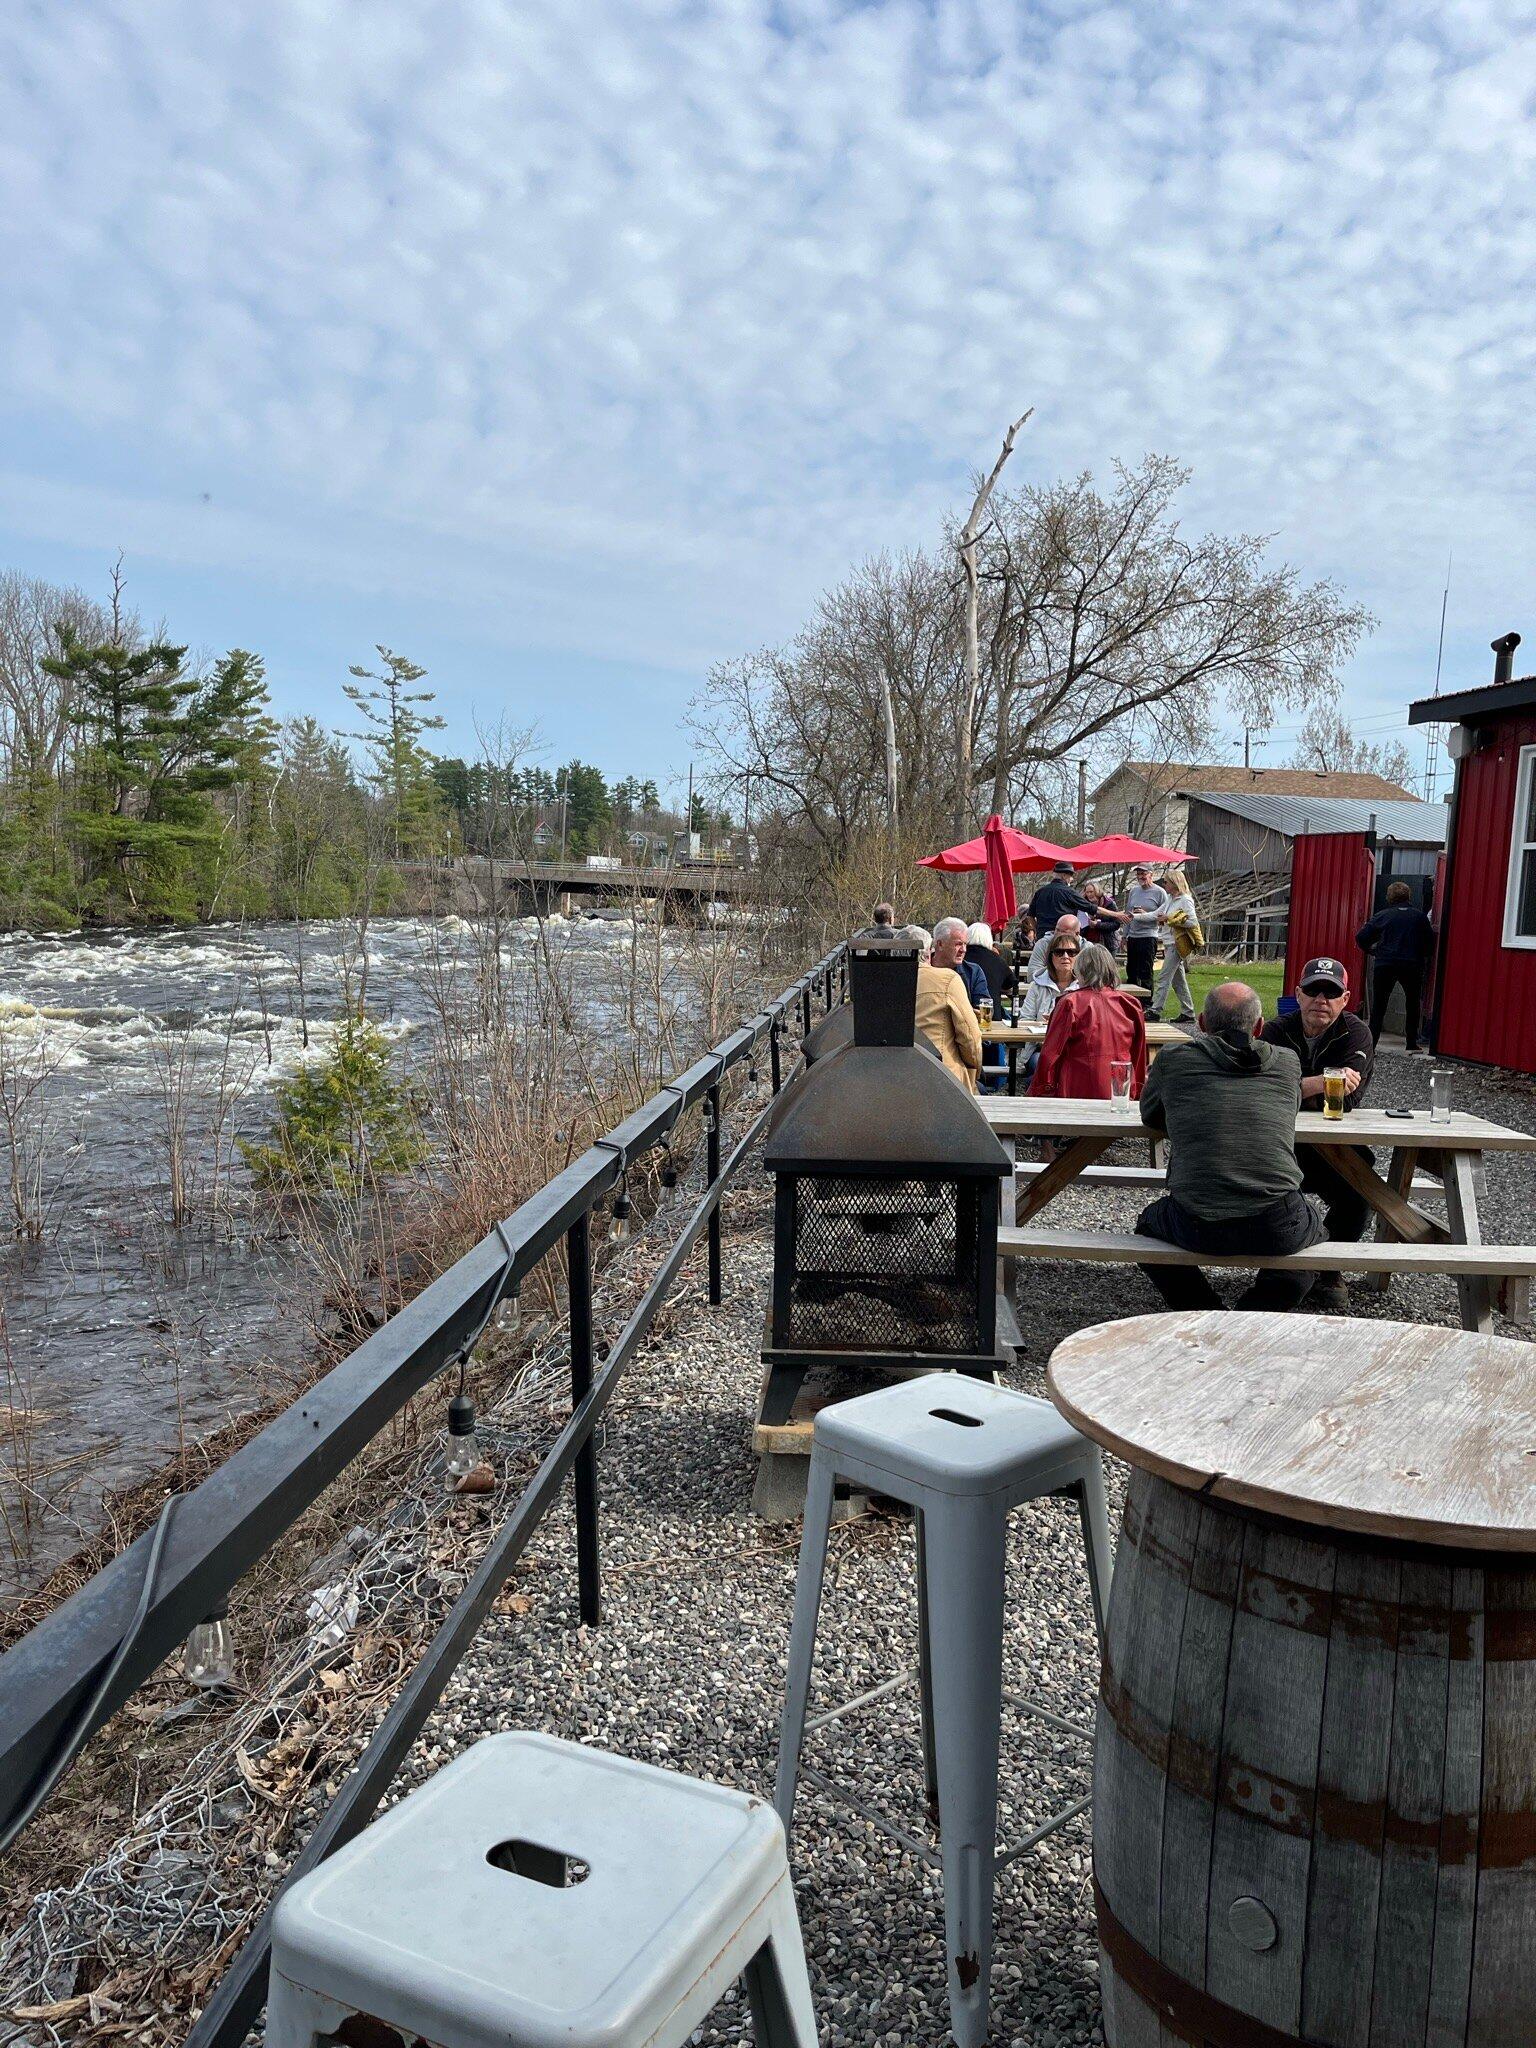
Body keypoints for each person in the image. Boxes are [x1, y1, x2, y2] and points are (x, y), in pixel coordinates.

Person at [1136, 982, 1323, 1311]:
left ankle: (1202, 1308)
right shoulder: (1287, 1062)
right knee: (1315, 1234)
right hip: (1276, 1221)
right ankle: (1260, 1309)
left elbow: (1151, 1116)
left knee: (1148, 1225)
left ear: (1203, 1023)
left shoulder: (1173, 1059)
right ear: (1259, 1027)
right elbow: (1286, 1111)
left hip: (1197, 1221)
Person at [1260, 955, 1375, 1312]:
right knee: (1263, 1190)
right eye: (1313, 990)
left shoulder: (1356, 1032)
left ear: (1345, 999)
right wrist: (1322, 1083)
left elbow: (1349, 1098)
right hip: (1282, 1146)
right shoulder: (1277, 1029)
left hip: (1336, 1148)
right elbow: (1261, 1089)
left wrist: (1292, 1088)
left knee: (1361, 1192)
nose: (1321, 1000)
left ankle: (1327, 1268)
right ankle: (1283, 1268)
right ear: (1298, 994)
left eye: (1331, 992)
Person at [1029, 944, 1148, 1099]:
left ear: (1079, 970)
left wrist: (1038, 1091)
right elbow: (1139, 1054)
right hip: (1120, 1087)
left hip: (1078, 1086)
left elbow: (1050, 1053)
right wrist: (1137, 1089)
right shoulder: (1130, 1004)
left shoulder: (1070, 1003)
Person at [1357, 881, 1435, 1051]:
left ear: (1389, 896)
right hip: (1411, 965)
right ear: (1408, 896)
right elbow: (1430, 942)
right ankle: (1411, 1043)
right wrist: (1422, 955)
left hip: (1385, 963)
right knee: (1412, 1004)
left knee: (1379, 1005)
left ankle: (1372, 1044)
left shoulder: (1383, 915)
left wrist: (1372, 951)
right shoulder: (1419, 917)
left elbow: (1361, 937)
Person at [909, 924, 983, 1089]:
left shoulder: (878, 983)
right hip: (942, 1079)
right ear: (929, 951)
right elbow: (970, 1037)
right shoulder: (948, 979)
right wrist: (975, 1070)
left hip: (894, 1077)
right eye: (959, 944)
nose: (963, 949)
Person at [1150, 867, 1200, 1023]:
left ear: (1174, 883)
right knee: (1178, 981)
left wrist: (1169, 919)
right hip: (1169, 943)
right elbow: (1155, 915)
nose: (1164, 884)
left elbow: (1192, 922)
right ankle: (1188, 1012)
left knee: (1163, 977)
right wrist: (1134, 916)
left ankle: (1155, 1010)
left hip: (1177, 944)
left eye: (1166, 882)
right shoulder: (1170, 899)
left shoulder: (1185, 900)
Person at [1122, 864, 1169, 1001]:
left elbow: (1163, 915)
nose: (1140, 877)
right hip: (1133, 936)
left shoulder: (1160, 892)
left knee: (1145, 971)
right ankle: (1131, 1001)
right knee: (1131, 970)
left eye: (1143, 874)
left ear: (1151, 875)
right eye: (1138, 874)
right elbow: (1127, 914)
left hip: (1148, 936)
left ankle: (1147, 1002)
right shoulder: (1134, 891)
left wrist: (1145, 914)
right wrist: (1125, 935)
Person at [1018, 930, 1081, 1022]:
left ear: (1078, 956)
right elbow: (1025, 1019)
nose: (1065, 956)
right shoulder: (1036, 986)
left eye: (1071, 952)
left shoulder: (1083, 987)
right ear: (1050, 956)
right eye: (1059, 952)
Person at [931, 915, 991, 1012]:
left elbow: (983, 1010)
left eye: (965, 944)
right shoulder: (922, 970)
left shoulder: (973, 972)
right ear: (940, 944)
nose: (963, 950)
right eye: (958, 944)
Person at [1026, 861, 1098, 933]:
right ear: (1064, 876)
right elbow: (1091, 907)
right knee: (1087, 944)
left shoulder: (1039, 892)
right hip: (1063, 937)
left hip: (1043, 936)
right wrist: (1109, 913)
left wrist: (1037, 930)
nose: (1072, 879)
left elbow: (1030, 916)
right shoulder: (1069, 892)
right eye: (1070, 876)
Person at [1028, 912, 1083, 979]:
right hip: (1047, 987)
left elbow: (1091, 977)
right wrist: (1056, 973)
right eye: (1057, 930)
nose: (1058, 935)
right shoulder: (1043, 944)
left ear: (1077, 933)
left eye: (1063, 932)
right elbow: (1032, 975)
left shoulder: (1086, 948)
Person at [1081, 880, 1121, 953]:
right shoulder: (1083, 904)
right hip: (1087, 942)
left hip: (1107, 943)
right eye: (1087, 892)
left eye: (1091, 892)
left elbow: (1116, 924)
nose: (1089, 894)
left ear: (1097, 891)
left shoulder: (1109, 903)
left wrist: (1098, 924)